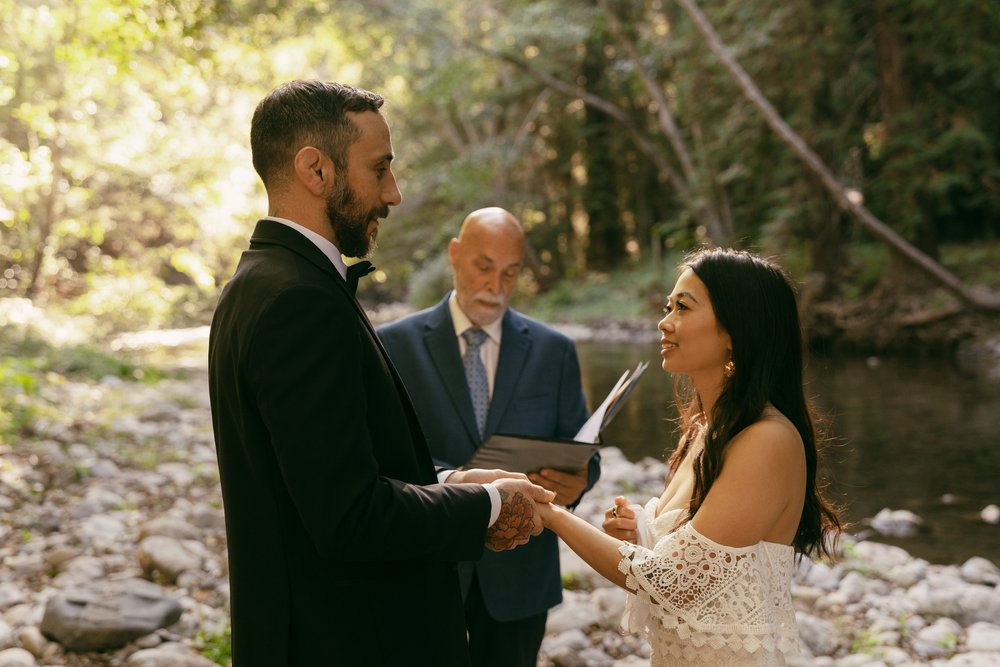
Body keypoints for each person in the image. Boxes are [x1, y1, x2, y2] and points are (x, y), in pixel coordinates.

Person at [207, 80, 555, 667]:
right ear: (315, 170)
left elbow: (322, 479)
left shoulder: (259, 285)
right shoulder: (299, 302)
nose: (392, 194)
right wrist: (488, 507)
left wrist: (444, 484)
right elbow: (348, 517)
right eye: (379, 169)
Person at [537, 247, 843, 666]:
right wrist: (639, 533)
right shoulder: (705, 432)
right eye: (668, 306)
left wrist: (549, 511)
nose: (664, 322)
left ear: (735, 329)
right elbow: (696, 564)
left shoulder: (767, 439)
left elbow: (671, 582)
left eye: (682, 307)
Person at [377, 207, 601, 667]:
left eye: (510, 273)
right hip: (425, 565)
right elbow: (380, 459)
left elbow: (583, 455)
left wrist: (579, 481)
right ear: (455, 255)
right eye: (484, 267)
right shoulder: (391, 343)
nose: (495, 286)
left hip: (520, 578)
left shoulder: (554, 350)